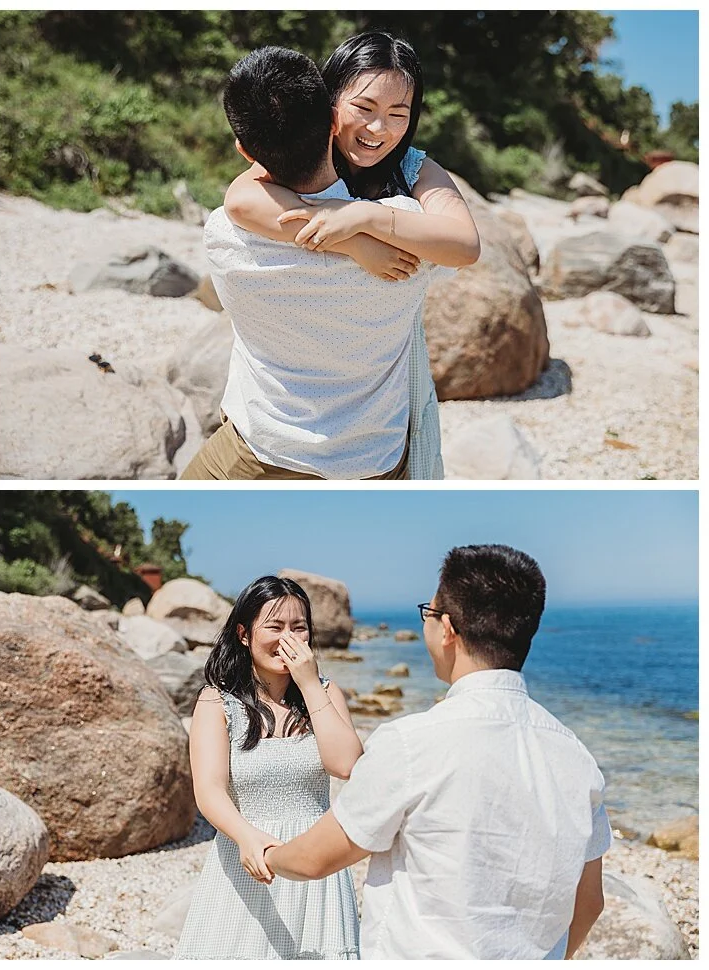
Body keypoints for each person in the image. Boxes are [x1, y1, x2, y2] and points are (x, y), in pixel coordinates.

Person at [264, 545, 611, 959]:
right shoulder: (576, 758)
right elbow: (590, 903)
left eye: (427, 613)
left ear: (447, 629)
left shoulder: (411, 743)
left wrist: (266, 854)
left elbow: (314, 860)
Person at [179, 45, 458, 480]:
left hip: (263, 446)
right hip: (373, 457)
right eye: (363, 106)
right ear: (331, 114)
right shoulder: (412, 229)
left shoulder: (227, 233)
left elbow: (238, 199)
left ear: (243, 149)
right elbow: (461, 244)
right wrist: (351, 242)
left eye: (398, 113)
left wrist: (359, 220)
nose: (378, 126)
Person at [175, 576, 363, 959]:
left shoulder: (326, 693)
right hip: (246, 855)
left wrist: (309, 685)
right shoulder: (216, 701)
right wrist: (246, 837)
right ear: (244, 634)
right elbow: (209, 789)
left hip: (317, 863)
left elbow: (346, 765)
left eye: (299, 628)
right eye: (275, 627)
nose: (288, 639)